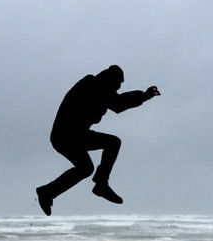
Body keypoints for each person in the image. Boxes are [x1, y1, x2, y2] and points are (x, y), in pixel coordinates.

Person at [35, 65, 160, 216]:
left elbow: (116, 101)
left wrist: (143, 96)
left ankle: (47, 192)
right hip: (67, 135)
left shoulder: (98, 86)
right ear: (110, 79)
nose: (119, 87)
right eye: (118, 83)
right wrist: (143, 96)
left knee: (86, 168)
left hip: (70, 136)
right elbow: (118, 104)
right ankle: (101, 184)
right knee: (113, 143)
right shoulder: (93, 85)